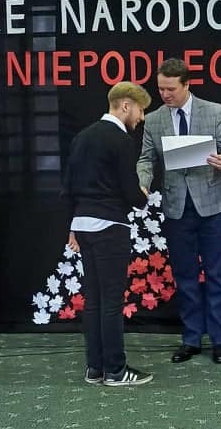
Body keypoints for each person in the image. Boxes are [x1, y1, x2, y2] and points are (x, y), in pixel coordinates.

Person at [137, 58, 221, 364]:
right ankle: (191, 338)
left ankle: (220, 340)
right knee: (185, 276)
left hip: (212, 205)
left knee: (218, 275)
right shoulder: (154, 119)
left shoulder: (214, 111)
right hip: (176, 207)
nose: (164, 94)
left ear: (187, 85)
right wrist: (142, 182)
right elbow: (146, 159)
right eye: (161, 89)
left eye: (170, 89)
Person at [62, 82, 153, 387]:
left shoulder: (81, 137)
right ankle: (115, 370)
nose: (141, 118)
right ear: (126, 105)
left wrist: (73, 225)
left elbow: (68, 186)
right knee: (111, 302)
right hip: (111, 227)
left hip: (84, 225)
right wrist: (142, 195)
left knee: (94, 300)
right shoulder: (121, 140)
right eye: (140, 110)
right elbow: (130, 191)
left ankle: (95, 368)